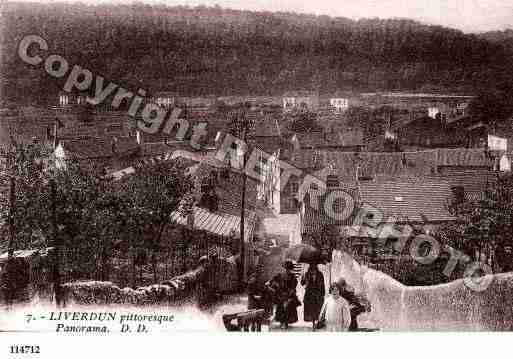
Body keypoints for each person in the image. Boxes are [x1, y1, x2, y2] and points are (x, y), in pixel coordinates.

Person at [268, 260, 300, 329]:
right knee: (281, 308)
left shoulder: (292, 277)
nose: (287, 270)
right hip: (281, 294)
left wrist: (289, 295)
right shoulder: (281, 275)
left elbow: (293, 287)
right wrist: (273, 284)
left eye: (288, 268)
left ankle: (285, 322)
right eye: (286, 268)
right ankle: (283, 322)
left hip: (287, 295)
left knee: (286, 308)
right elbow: (272, 281)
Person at [300, 263, 325, 329]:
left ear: (316, 266)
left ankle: (316, 322)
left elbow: (323, 285)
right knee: (311, 310)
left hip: (317, 294)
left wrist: (323, 294)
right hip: (309, 294)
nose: (313, 267)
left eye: (314, 266)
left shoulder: (320, 274)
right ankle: (313, 323)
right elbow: (302, 284)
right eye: (311, 266)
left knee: (317, 309)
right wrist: (302, 278)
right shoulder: (307, 274)